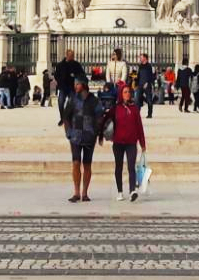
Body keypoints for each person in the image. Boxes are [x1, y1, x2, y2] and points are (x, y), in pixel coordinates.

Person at [61, 74, 102, 202]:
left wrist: (96, 133)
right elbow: (66, 117)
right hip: (75, 137)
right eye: (74, 84)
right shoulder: (72, 99)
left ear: (83, 85)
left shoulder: (95, 101)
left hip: (89, 136)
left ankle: (85, 193)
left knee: (87, 164)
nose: (75, 86)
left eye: (77, 84)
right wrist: (68, 132)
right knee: (76, 163)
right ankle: (76, 192)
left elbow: (100, 118)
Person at [102, 83, 147, 202]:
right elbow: (105, 120)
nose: (127, 94)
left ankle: (132, 191)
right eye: (125, 92)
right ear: (121, 94)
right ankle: (120, 191)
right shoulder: (115, 108)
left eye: (129, 92)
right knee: (119, 167)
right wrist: (102, 135)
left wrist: (142, 143)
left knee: (131, 167)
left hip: (131, 142)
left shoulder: (134, 109)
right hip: (118, 143)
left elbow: (139, 127)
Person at [53, 49, 84, 115]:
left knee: (72, 103)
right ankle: (62, 117)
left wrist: (75, 76)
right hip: (62, 87)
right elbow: (56, 75)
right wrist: (59, 81)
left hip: (72, 87)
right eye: (71, 55)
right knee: (60, 102)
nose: (72, 57)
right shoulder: (60, 65)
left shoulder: (76, 65)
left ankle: (69, 117)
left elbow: (82, 74)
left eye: (73, 55)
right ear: (67, 55)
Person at [136, 53, 158, 119]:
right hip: (140, 84)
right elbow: (138, 75)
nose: (140, 58)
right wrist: (136, 83)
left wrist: (147, 83)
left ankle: (149, 114)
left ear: (145, 58)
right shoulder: (140, 66)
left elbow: (151, 76)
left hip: (147, 85)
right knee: (138, 99)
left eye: (141, 57)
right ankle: (137, 114)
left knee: (149, 100)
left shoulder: (149, 66)